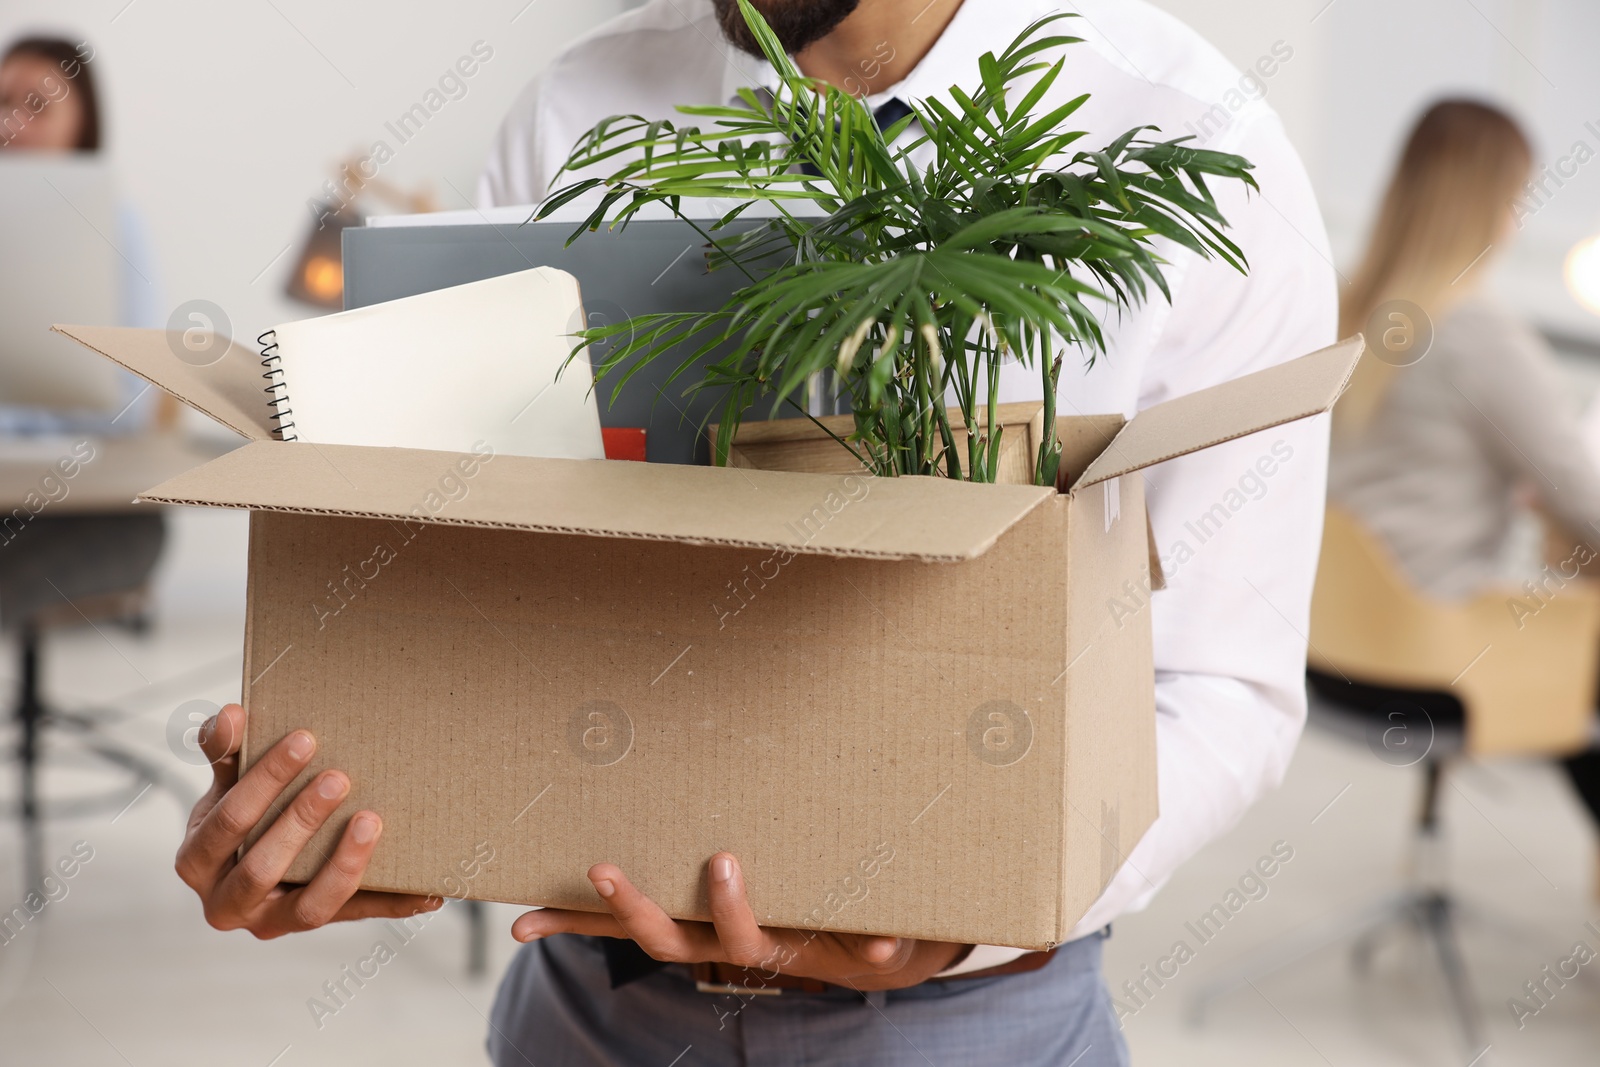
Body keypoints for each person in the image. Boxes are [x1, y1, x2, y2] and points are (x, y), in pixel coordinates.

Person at [177, 2, 1338, 1063]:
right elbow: (500, 575)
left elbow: (1221, 683)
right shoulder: (580, 107)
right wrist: (338, 789)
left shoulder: (1180, 135)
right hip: (587, 1010)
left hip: (967, 1027)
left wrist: (967, 913)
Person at [1328, 100, 1600, 835]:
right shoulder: (1475, 331)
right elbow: (1587, 502)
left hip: (1331, 649)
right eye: (1516, 199)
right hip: (1427, 655)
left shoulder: (1345, 310)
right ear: (1491, 204)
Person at [0, 33, 160, 434]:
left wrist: (16, 422)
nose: (13, 121)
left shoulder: (117, 223)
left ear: (81, 121)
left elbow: (131, 403)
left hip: (83, 480)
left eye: (38, 105)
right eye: (4, 102)